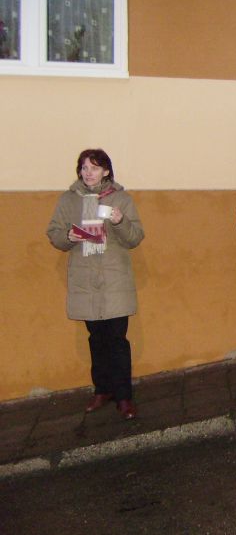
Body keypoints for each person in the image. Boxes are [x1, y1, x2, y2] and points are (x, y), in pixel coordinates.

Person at [46, 149, 145, 420]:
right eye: (84, 167)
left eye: (94, 167)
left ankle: (124, 397)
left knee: (117, 341)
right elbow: (54, 233)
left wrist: (120, 221)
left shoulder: (121, 199)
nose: (88, 172)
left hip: (114, 281)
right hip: (85, 281)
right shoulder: (69, 199)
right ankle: (102, 390)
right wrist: (68, 236)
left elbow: (135, 237)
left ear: (106, 171)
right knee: (96, 340)